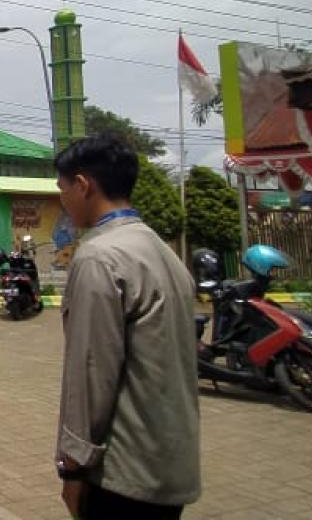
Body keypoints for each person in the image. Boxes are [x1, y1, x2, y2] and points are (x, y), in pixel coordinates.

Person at [52, 136, 200, 519]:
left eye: (63, 189)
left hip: (122, 473)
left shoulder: (99, 257)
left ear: (83, 185)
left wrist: (74, 465)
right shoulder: (163, 252)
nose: (63, 202)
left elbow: (91, 373)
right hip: (170, 465)